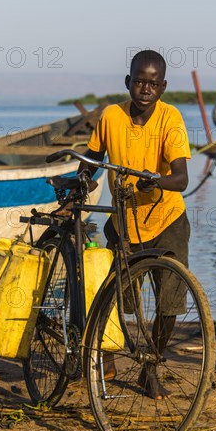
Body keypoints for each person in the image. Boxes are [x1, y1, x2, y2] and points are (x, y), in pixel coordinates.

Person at [79, 49, 191, 400]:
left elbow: (182, 177)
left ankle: (150, 368)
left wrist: (156, 180)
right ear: (128, 82)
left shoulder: (171, 119)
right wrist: (80, 181)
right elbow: (93, 160)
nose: (146, 88)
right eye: (139, 81)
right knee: (114, 297)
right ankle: (108, 356)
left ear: (163, 87)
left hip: (167, 220)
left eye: (153, 83)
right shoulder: (110, 117)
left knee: (170, 303)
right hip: (124, 222)